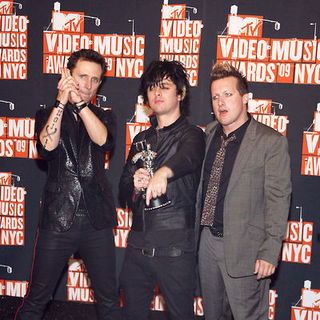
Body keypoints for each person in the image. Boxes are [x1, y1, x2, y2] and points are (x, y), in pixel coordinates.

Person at [15, 49, 121, 320]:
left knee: (109, 300)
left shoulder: (104, 116)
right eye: (82, 76)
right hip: (58, 218)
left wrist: (82, 105)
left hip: (97, 220)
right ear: (68, 76)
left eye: (95, 80)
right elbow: (46, 148)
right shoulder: (47, 114)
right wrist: (62, 101)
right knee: (37, 298)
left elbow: (103, 141)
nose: (87, 85)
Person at [195, 62, 292, 319]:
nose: (221, 103)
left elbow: (279, 198)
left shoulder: (270, 141)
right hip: (207, 243)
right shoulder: (209, 132)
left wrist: (270, 251)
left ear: (246, 98)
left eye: (228, 94)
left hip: (247, 249)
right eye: (215, 97)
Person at [119, 60, 205, 320]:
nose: (157, 93)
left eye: (165, 87)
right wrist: (134, 183)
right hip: (137, 248)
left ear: (180, 94)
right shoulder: (139, 140)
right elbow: (122, 192)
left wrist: (163, 173)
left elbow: (189, 157)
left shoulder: (193, 135)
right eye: (152, 87)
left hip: (175, 250)